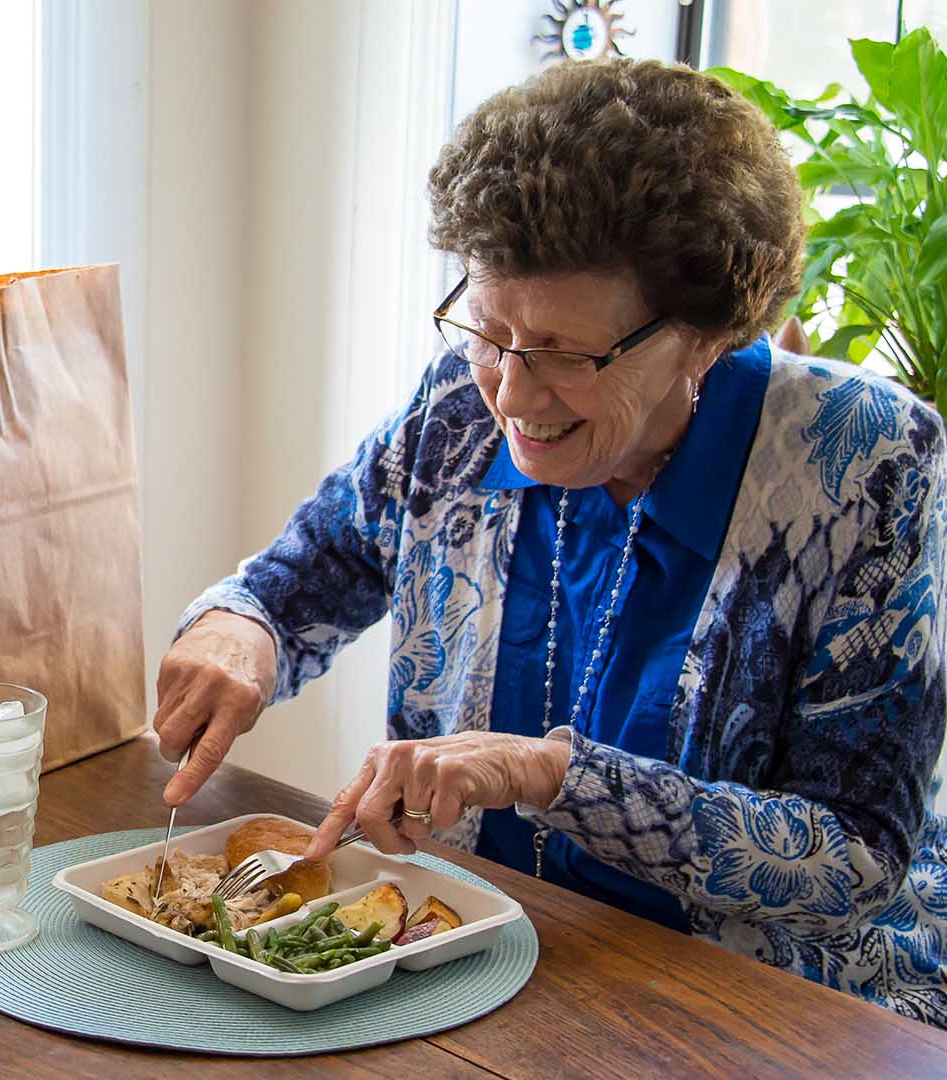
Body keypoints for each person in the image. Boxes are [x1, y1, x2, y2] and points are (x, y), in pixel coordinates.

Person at [153, 57, 947, 1025]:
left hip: (745, 1007)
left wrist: (550, 777)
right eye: (488, 334)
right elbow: (307, 573)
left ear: (701, 333)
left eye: (566, 356)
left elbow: (854, 858)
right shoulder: (459, 403)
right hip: (468, 963)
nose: (512, 397)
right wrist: (240, 629)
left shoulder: (859, 460)